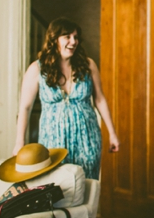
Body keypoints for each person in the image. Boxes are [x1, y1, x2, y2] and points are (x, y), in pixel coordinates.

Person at [13, 17, 120, 177]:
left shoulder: (88, 65)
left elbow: (100, 99)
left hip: (87, 139)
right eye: (67, 37)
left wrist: (112, 133)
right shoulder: (37, 69)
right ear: (54, 39)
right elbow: (25, 107)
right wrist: (19, 141)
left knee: (87, 185)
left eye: (76, 37)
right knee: (56, 187)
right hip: (52, 141)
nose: (73, 41)